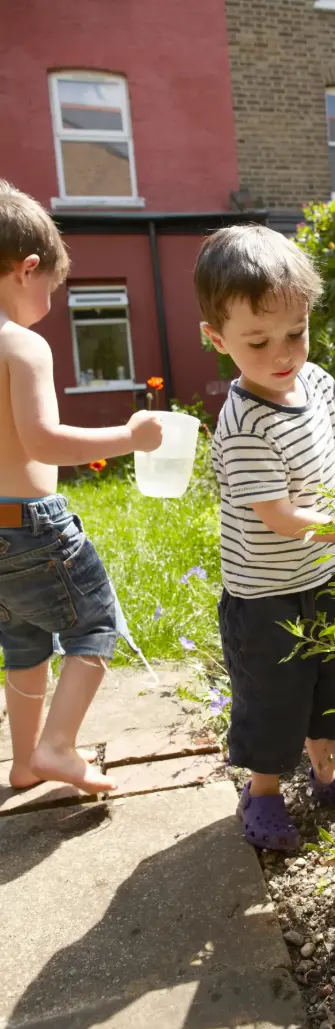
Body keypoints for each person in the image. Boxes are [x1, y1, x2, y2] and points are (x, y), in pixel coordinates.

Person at [196, 223, 335, 851]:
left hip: (320, 576)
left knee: (330, 682)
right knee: (273, 697)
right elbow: (283, 517)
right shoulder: (243, 425)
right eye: (258, 341)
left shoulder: (311, 382)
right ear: (218, 339)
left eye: (295, 332)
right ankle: (262, 792)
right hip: (264, 597)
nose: (283, 353)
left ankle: (328, 771)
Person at [0, 181, 162, 794]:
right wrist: (128, 436)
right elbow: (42, 441)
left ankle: (22, 764)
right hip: (34, 524)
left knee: (24, 640)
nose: (49, 300)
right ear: (27, 268)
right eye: (50, 287)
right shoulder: (22, 345)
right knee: (95, 622)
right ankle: (60, 747)